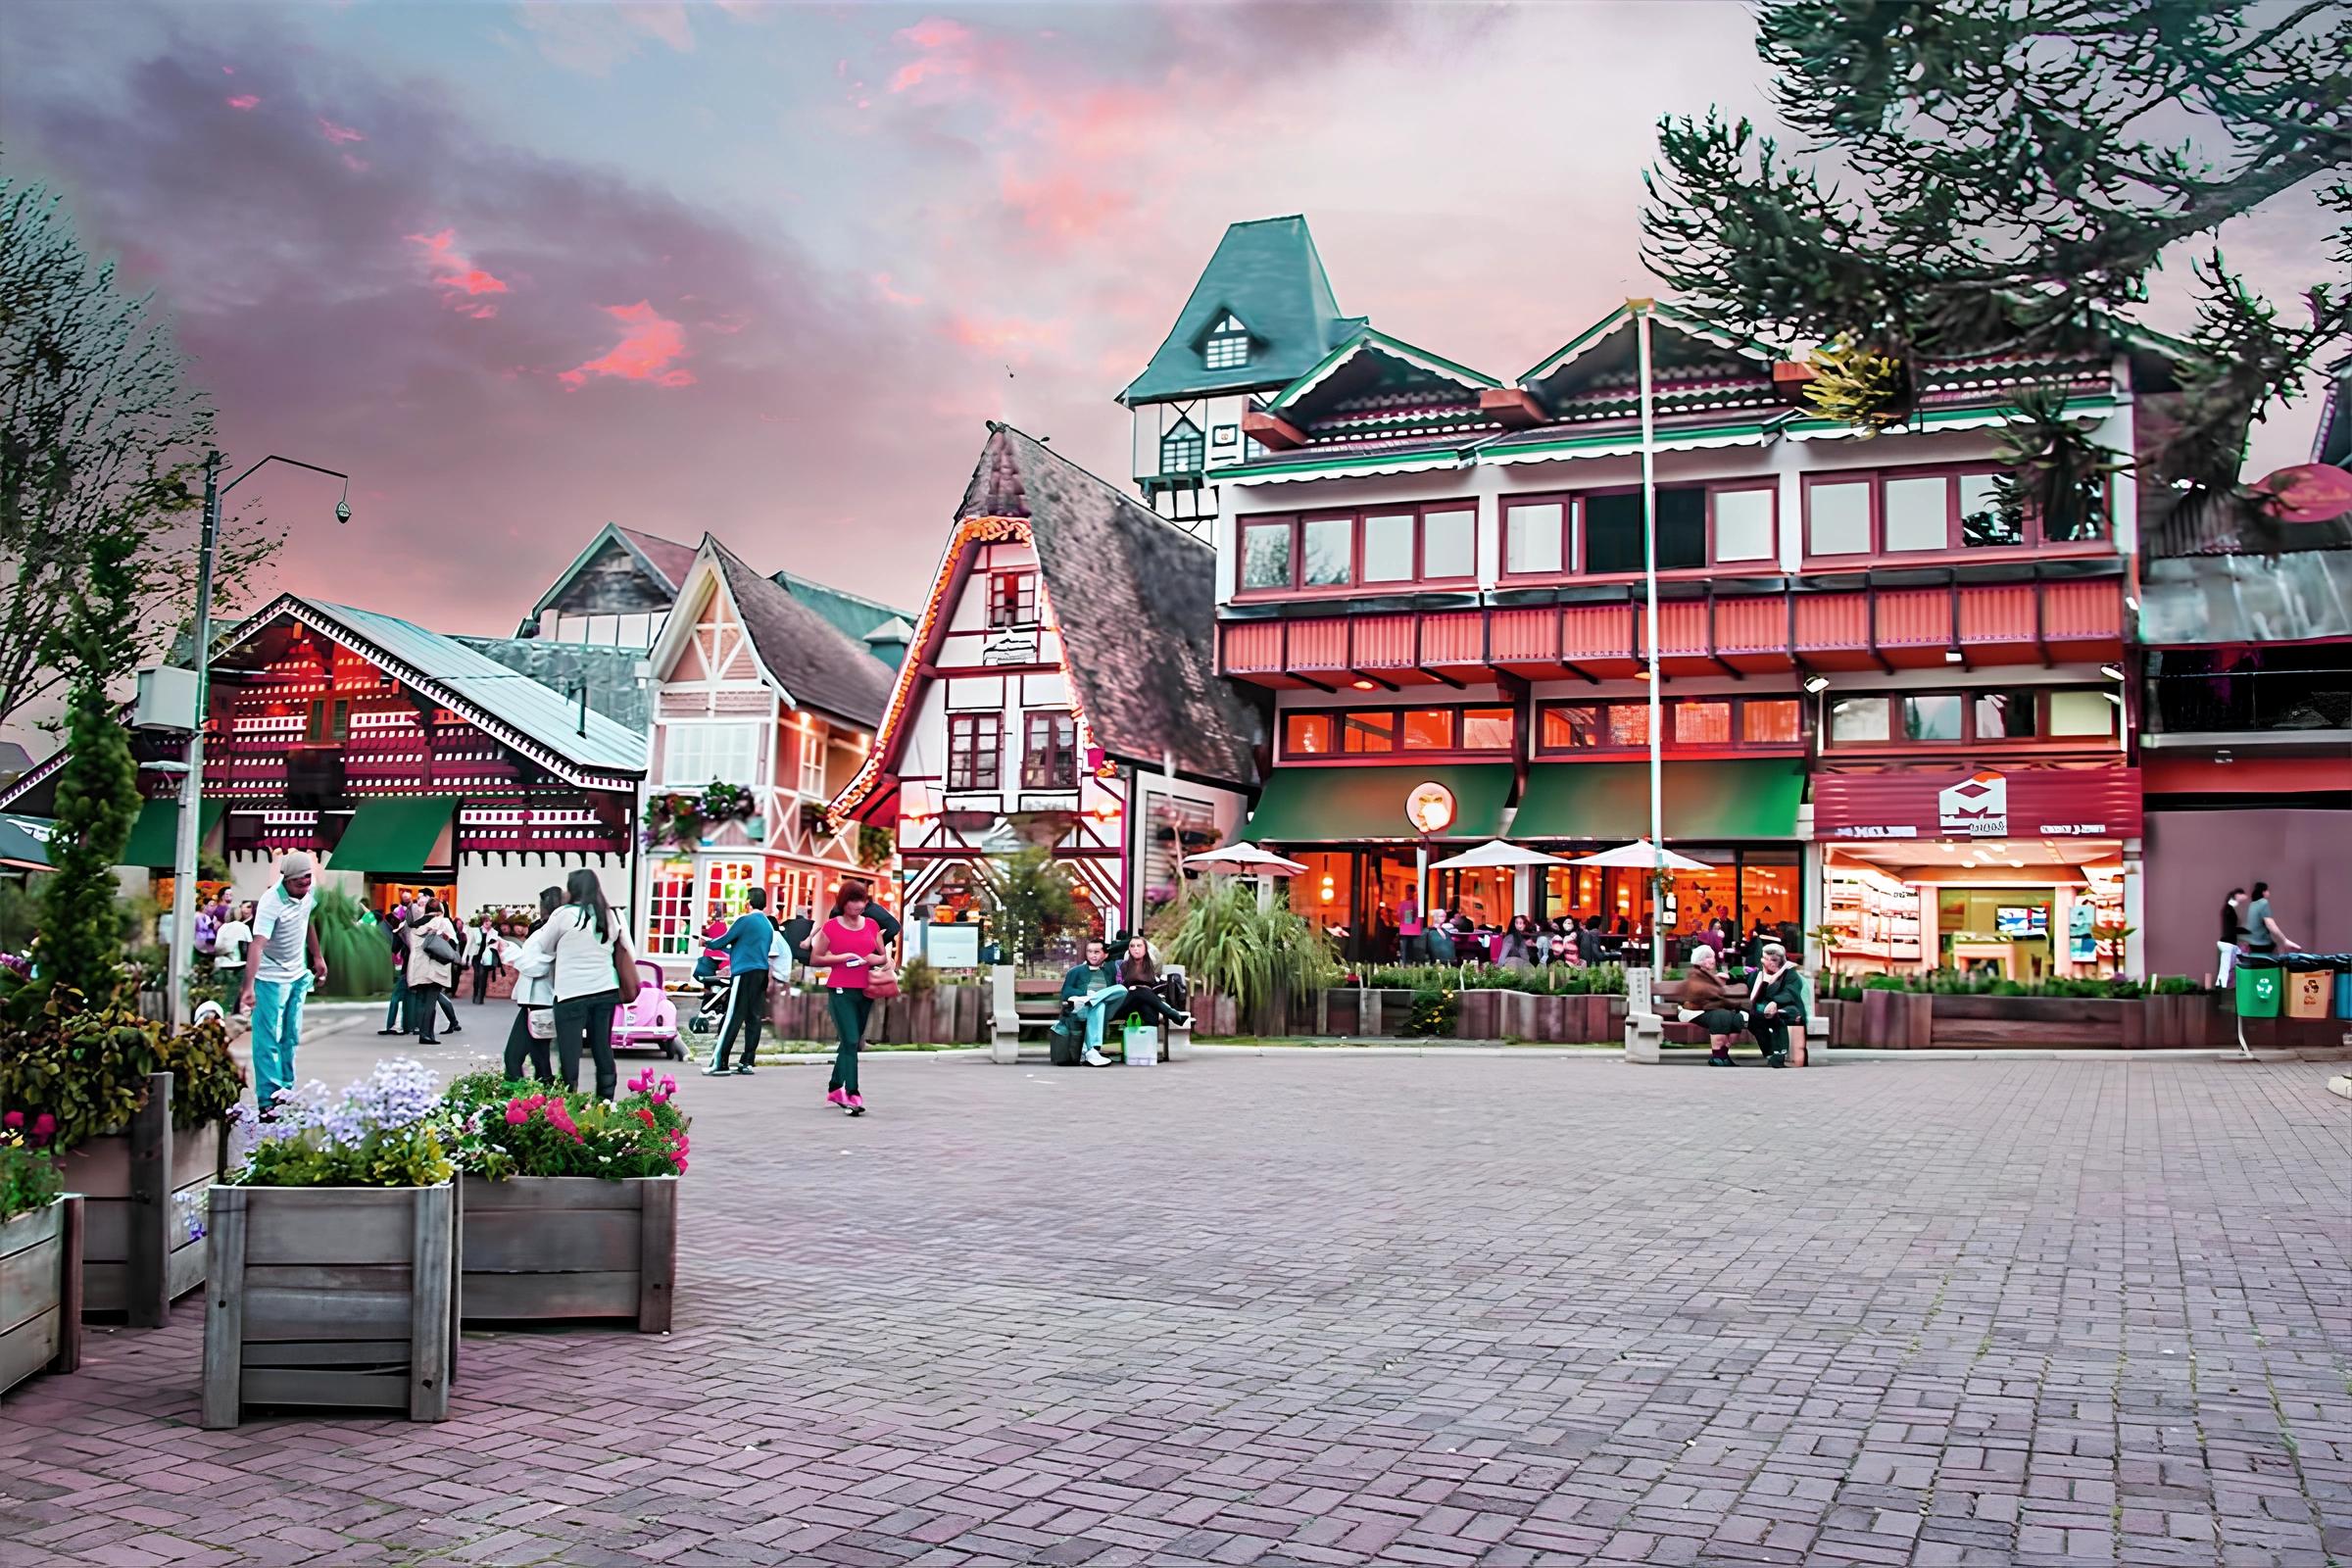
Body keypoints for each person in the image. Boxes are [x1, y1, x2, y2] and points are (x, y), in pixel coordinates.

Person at [522, 868, 635, 1102]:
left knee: (569, 1050)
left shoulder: (563, 915)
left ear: (572, 889)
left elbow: (544, 946)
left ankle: (568, 1101)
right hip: (605, 990)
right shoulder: (609, 915)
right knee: (602, 1046)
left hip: (571, 993)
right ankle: (606, 1101)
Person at [239, 853, 326, 1116]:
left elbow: (306, 920)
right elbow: (257, 944)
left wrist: (318, 956)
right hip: (269, 977)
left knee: (290, 1036)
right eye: (300, 883)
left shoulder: (307, 894)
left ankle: (285, 1089)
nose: (306, 887)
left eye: (308, 880)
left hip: (297, 973)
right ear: (287, 880)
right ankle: (267, 1099)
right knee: (267, 1038)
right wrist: (249, 986)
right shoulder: (270, 903)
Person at [808, 882, 888, 1114]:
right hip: (841, 989)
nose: (858, 905)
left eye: (861, 900)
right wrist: (842, 957)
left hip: (866, 990)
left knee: (849, 1042)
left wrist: (871, 960)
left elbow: (881, 956)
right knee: (852, 1040)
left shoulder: (872, 925)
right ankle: (852, 1094)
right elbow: (816, 958)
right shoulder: (831, 927)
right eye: (853, 900)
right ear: (843, 903)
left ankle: (834, 1089)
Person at [703, 886, 776, 1076]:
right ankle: (747, 1061)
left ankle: (721, 1062)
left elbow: (723, 940)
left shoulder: (745, 920)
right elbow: (744, 946)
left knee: (733, 1016)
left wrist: (706, 942)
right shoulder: (767, 925)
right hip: (761, 972)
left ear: (748, 902)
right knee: (754, 1017)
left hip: (744, 972)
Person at [502, 887, 564, 1082]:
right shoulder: (544, 929)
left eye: (542, 906)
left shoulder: (552, 932)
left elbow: (538, 967)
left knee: (513, 1057)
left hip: (541, 1000)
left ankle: (517, 1101)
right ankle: (541, 1103)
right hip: (535, 1000)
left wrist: (510, 954)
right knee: (540, 1061)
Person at [1054, 938, 1128, 1068]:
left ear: (1105, 954)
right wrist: (1084, 995)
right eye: (1089, 951)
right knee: (1099, 1006)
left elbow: (1123, 949)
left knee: (1122, 990)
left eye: (1096, 952)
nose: (1092, 955)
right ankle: (1093, 1051)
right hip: (1082, 1009)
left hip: (1107, 1011)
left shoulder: (1111, 969)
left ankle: (1093, 1000)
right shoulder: (1076, 971)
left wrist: (1093, 997)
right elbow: (1066, 992)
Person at [404, 895, 462, 1047]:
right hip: (434, 968)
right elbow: (453, 941)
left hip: (418, 968)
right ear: (439, 910)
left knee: (422, 1002)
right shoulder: (440, 922)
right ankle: (427, 1035)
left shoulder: (415, 926)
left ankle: (424, 1033)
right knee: (431, 1003)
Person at [1680, 946, 1747, 1067]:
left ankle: (1723, 1055)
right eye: (1707, 957)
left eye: (1712, 957)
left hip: (1711, 1009)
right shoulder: (1694, 975)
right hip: (1695, 1011)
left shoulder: (1712, 975)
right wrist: (1725, 999)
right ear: (1699, 961)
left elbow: (1719, 996)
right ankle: (1716, 1056)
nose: (1712, 960)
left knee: (1736, 1018)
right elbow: (1705, 996)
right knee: (1721, 1015)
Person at [1745, 941, 1807, 1068]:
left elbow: (1790, 993)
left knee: (1777, 1016)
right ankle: (1770, 1053)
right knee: (1754, 1019)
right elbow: (1753, 995)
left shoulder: (1790, 974)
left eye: (1774, 959)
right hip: (1763, 1009)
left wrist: (1775, 1002)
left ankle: (1779, 1054)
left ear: (1781, 960)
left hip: (1788, 1007)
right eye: (1767, 959)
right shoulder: (1759, 975)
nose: (1770, 962)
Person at [1116, 935, 1193, 1034]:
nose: (1135, 949)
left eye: (1139, 946)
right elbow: (1120, 986)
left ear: (1145, 949)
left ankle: (1148, 1046)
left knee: (1150, 1014)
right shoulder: (1123, 966)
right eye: (1132, 946)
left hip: (1147, 1000)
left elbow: (1157, 986)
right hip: (1127, 1002)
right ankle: (1174, 1014)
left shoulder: (1151, 966)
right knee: (1138, 991)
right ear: (1129, 949)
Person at [213, 902, 253, 1015]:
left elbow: (217, 946)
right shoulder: (243, 927)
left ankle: (223, 1016)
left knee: (223, 994)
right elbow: (250, 945)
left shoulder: (222, 928)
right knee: (235, 993)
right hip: (238, 964)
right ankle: (233, 1017)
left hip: (221, 964)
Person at [378, 902, 413, 1037]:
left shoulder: (403, 931)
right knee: (407, 999)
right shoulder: (410, 930)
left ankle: (393, 1025)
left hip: (407, 970)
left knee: (396, 998)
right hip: (412, 970)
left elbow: (395, 947)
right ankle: (407, 1026)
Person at [2243, 880, 2299, 957]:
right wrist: (2284, 940)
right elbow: (2271, 925)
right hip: (2263, 944)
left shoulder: (2252, 904)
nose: (2269, 892)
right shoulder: (2263, 902)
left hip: (2252, 944)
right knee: (2281, 955)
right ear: (2263, 892)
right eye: (2267, 890)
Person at [466, 913, 503, 1004]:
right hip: (476, 956)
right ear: (483, 921)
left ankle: (480, 997)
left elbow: (495, 944)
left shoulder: (494, 932)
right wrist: (468, 958)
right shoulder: (477, 931)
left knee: (483, 976)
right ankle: (475, 995)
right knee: (476, 976)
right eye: (486, 921)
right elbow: (471, 944)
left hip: (487, 957)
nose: (487, 923)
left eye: (489, 921)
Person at [2217, 886, 2246, 984]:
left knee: (2227, 968)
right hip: (2228, 942)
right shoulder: (2228, 910)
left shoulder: (2227, 909)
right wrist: (2245, 931)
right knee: (2226, 969)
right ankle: (2223, 985)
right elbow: (2230, 928)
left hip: (2228, 941)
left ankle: (2224, 985)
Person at [1396, 890, 1424, 963]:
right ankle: (1408, 963)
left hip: (1407, 929)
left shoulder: (1407, 903)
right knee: (1409, 948)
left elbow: (1405, 917)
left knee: (1406, 949)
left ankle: (1405, 964)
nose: (1407, 893)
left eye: (1408, 891)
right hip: (1410, 929)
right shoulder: (1415, 903)